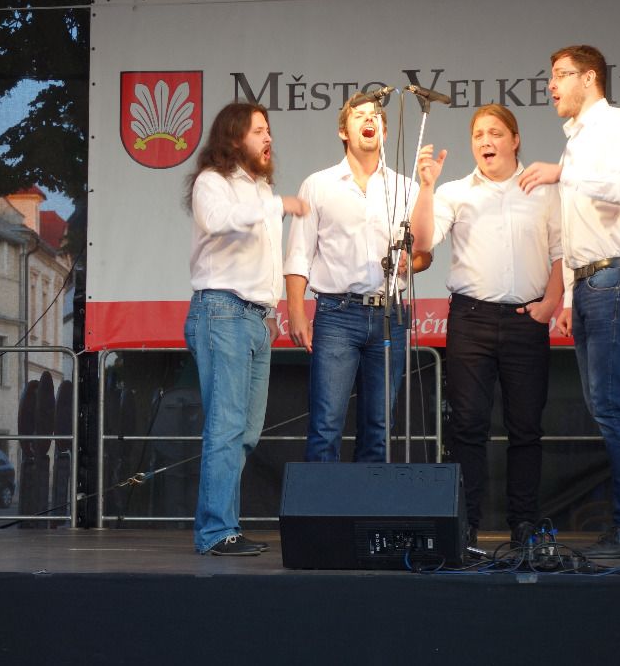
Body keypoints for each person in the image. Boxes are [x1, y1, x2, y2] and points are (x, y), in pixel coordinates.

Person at [519, 45, 620, 558]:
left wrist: (563, 174)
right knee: (610, 405)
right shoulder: (577, 142)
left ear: (589, 78)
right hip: (592, 282)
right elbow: (576, 230)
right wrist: (567, 296)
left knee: (610, 404)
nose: (551, 86)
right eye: (550, 77)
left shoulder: (618, 125)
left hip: (618, 277)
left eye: (561, 75)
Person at [411, 104, 563, 550]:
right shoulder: (455, 192)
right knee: (468, 427)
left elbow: (562, 252)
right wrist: (426, 187)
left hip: (525, 321)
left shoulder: (543, 190)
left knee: (526, 427)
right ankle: (467, 524)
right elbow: (422, 241)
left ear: (515, 140)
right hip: (471, 320)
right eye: (478, 134)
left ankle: (525, 525)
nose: (485, 141)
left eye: (495, 133)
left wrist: (550, 304)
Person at [184, 102, 308, 556]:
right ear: (234, 137)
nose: (268, 137)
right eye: (258, 130)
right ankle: (216, 532)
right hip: (222, 311)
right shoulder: (212, 182)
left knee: (247, 431)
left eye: (268, 129)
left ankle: (225, 526)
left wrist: (271, 310)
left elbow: (265, 259)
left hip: (254, 318)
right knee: (226, 427)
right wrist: (276, 205)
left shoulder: (260, 189)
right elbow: (218, 222)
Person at [284, 94, 431, 463]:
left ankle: (370, 503)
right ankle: (321, 502)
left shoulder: (406, 187)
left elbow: (424, 254)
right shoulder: (318, 185)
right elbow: (299, 253)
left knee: (379, 429)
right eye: (359, 115)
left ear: (384, 131)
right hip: (338, 314)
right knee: (326, 426)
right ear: (343, 131)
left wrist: (409, 263)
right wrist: (296, 312)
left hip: (390, 315)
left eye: (376, 116)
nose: (369, 119)